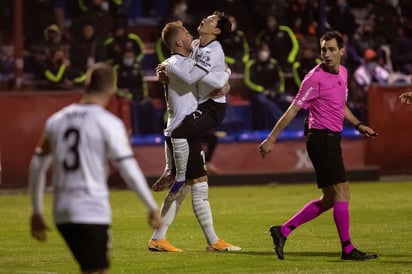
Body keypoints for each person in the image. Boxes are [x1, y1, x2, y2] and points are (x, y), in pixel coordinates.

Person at [29, 63, 161, 273]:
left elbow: (37, 164)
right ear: (112, 89)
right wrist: (152, 206)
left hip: (61, 211)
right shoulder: (109, 123)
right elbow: (128, 168)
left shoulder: (56, 120)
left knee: (95, 267)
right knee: (96, 269)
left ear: (86, 85)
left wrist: (36, 211)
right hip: (91, 208)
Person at [258, 31, 379, 261]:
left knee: (330, 199)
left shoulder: (343, 72)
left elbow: (340, 106)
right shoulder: (314, 78)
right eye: (324, 49)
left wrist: (360, 125)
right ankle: (347, 249)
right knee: (343, 191)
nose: (327, 54)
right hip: (321, 139)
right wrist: (271, 138)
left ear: (342, 51)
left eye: (332, 49)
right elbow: (293, 109)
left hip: (332, 138)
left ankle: (282, 231)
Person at [148, 19, 240, 253]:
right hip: (181, 130)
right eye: (187, 34)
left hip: (188, 129)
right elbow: (196, 76)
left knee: (194, 186)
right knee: (187, 186)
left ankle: (202, 240)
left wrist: (225, 77)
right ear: (179, 41)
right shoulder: (173, 65)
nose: (192, 37)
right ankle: (198, 239)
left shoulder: (185, 60)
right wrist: (223, 80)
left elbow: (215, 69)